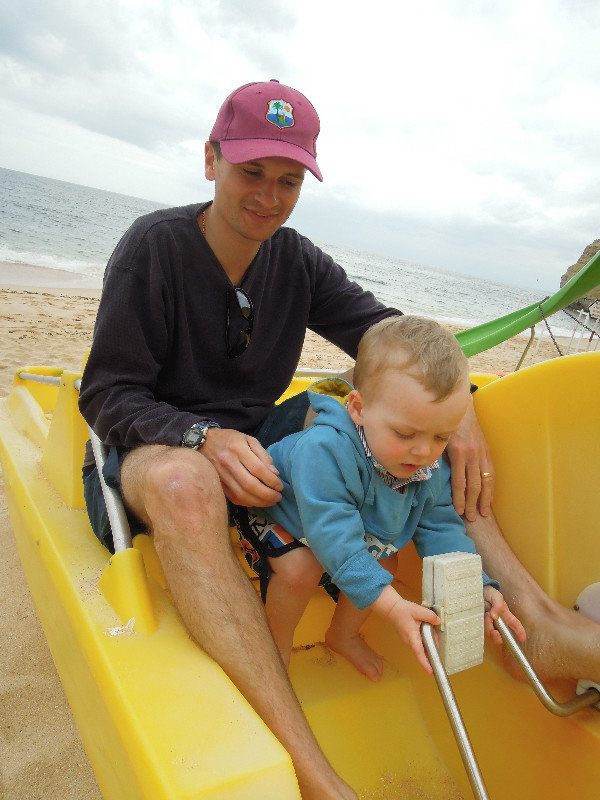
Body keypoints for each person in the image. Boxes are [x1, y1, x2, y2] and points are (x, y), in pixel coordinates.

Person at [78, 79, 598, 799]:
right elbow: (105, 394)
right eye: (251, 172)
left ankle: (519, 614)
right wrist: (201, 437)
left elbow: (386, 336)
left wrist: (464, 405)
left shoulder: (294, 260)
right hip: (150, 452)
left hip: (258, 448)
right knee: (184, 480)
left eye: (288, 180)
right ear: (211, 160)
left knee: (415, 430)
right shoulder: (154, 248)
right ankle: (313, 771)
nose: (268, 195)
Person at [238, 316, 526, 679]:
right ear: (358, 409)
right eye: (405, 433)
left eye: (441, 438)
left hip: (342, 524)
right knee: (300, 570)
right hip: (279, 511)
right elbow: (334, 539)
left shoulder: (426, 464)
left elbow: (442, 529)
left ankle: (342, 635)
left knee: (386, 563)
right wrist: (392, 607)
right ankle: (274, 650)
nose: (423, 451)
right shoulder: (325, 450)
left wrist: (476, 585)